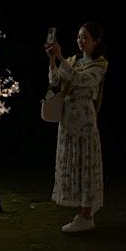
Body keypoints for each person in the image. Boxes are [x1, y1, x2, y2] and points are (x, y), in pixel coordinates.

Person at [47, 22, 108, 233]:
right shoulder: (74, 61)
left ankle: (87, 214)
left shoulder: (99, 64)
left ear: (95, 41)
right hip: (68, 120)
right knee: (74, 163)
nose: (80, 41)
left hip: (84, 121)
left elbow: (81, 80)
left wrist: (61, 58)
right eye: (79, 37)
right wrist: (52, 60)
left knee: (86, 165)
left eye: (85, 37)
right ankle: (83, 212)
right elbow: (55, 80)